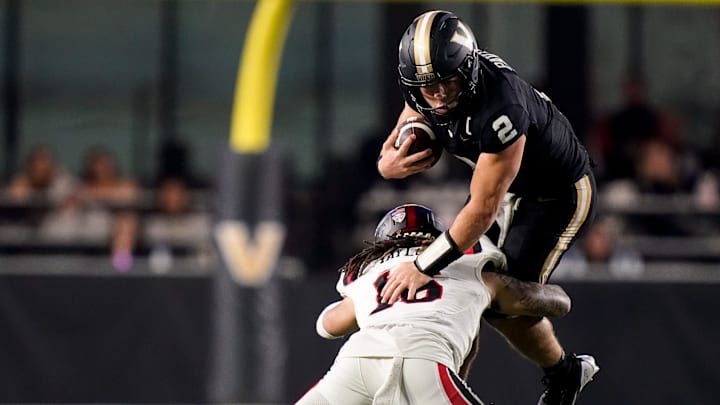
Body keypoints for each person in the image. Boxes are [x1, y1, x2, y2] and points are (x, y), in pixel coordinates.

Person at [375, 10, 599, 405]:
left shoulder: (501, 109)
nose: (440, 94)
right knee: (462, 293)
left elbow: (481, 210)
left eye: (447, 81)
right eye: (429, 87)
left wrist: (422, 265)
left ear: (469, 71)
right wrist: (387, 163)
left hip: (555, 196)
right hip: (502, 192)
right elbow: (415, 111)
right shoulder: (429, 89)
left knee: (497, 305)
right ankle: (451, 389)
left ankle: (564, 364)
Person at [295, 204, 581, 405]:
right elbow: (551, 303)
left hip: (356, 362)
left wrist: (365, 301)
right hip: (426, 361)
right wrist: (558, 297)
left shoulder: (368, 275)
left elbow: (328, 326)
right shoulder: (473, 265)